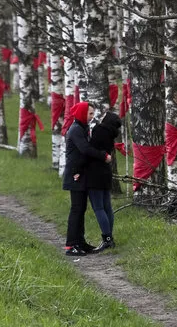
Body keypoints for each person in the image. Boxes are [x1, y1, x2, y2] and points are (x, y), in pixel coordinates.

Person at [62, 102, 112, 256]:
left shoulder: (82, 128)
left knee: (81, 209)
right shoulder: (76, 129)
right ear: (82, 113)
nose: (92, 117)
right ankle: (71, 245)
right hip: (74, 175)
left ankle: (80, 242)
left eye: (92, 114)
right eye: (90, 114)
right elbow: (85, 149)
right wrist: (103, 156)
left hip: (81, 174)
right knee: (76, 209)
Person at [85, 111, 121, 252]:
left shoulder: (99, 130)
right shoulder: (111, 133)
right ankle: (109, 237)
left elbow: (91, 149)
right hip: (106, 172)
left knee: (98, 207)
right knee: (107, 207)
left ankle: (107, 239)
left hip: (95, 172)